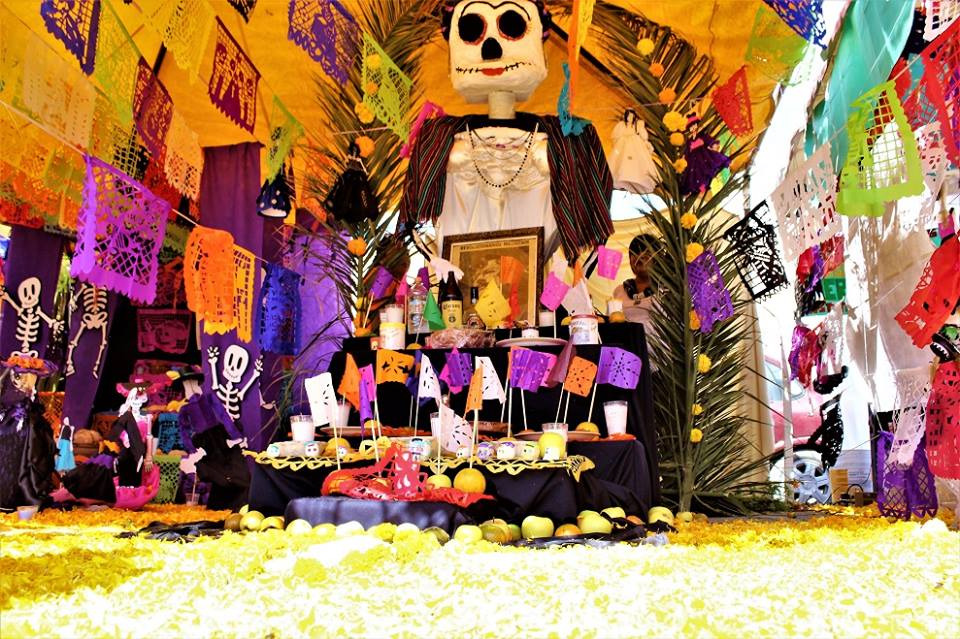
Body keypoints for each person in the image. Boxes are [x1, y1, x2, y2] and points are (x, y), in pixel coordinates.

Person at [0, 353, 56, 510]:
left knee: (28, 461)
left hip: (28, 434)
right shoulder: (12, 399)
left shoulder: (29, 401)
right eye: (20, 376)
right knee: (14, 462)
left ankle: (20, 497)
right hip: (15, 433)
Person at [612, 234, 663, 340]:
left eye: (646, 252)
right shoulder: (619, 291)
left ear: (658, 258)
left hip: (658, 349)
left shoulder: (666, 290)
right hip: (626, 349)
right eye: (635, 252)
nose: (640, 256)